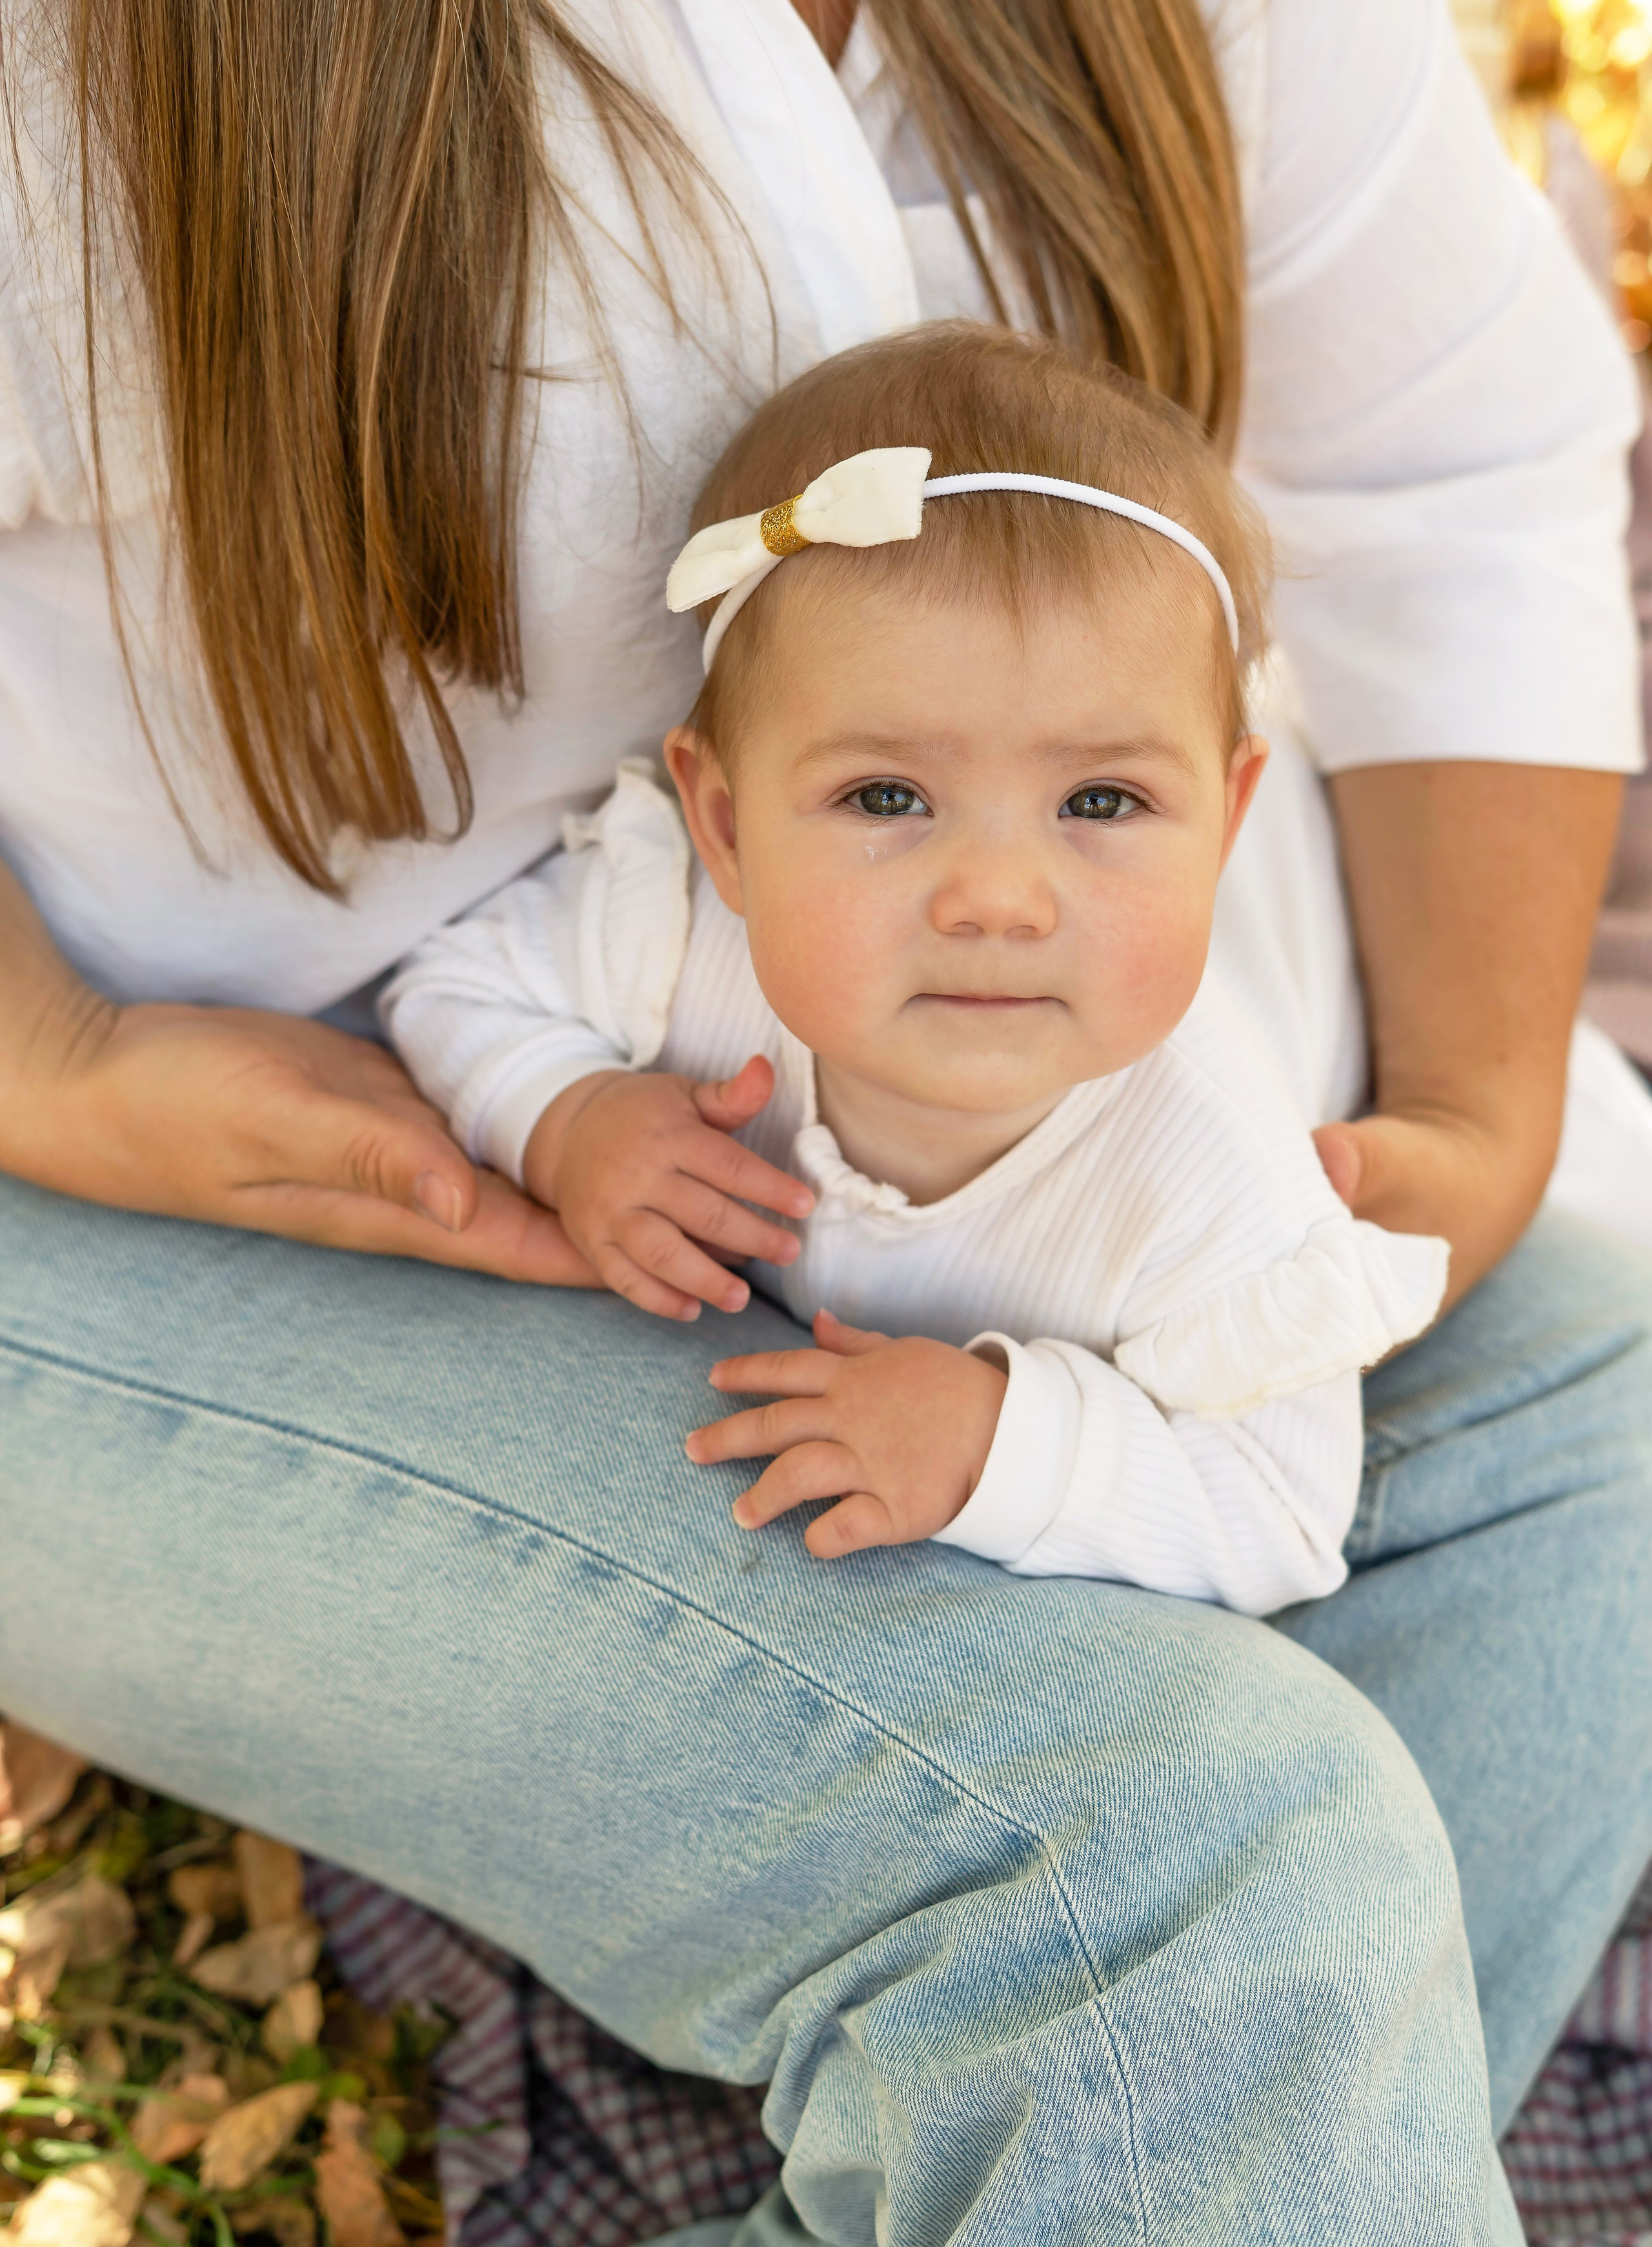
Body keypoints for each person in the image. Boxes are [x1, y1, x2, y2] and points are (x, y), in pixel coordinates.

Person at [0, 0, 1647, 2237]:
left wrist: (1466, 1110)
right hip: (125, 1177)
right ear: (721, 805)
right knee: (1182, 1875)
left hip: (761, 1129)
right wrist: (55, 1062)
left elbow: (1454, 479)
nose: (995, 874)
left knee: (1606, 1396)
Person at [381, 323, 1448, 1610]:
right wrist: (565, 1117)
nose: (994, 897)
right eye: (886, 795)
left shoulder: (1215, 1169)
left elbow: (1279, 1514)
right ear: (723, 826)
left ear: (1220, 823)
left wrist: (1000, 1441)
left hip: (1301, 959)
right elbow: (453, 987)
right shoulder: (671, 930)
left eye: (1101, 803)